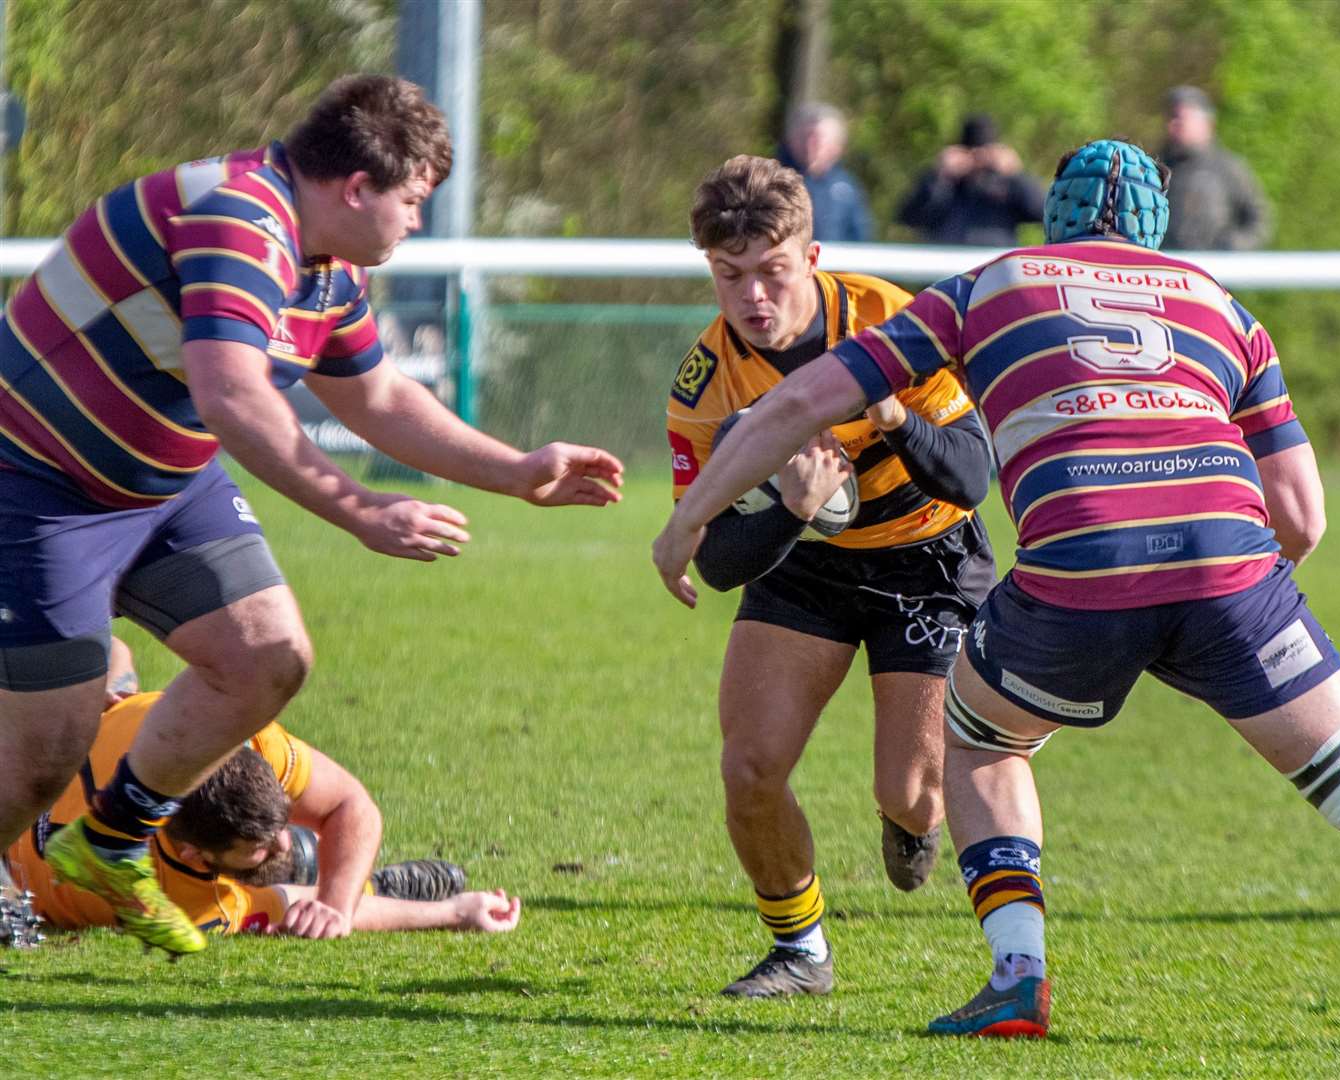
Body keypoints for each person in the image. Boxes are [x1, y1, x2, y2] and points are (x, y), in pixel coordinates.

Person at [653, 139, 1340, 1036]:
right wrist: (1229, 606)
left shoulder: (986, 287)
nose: (752, 294)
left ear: (1051, 216)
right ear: (1159, 228)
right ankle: (801, 945)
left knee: (976, 746)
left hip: (1054, 567)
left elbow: (812, 417)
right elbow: (1303, 517)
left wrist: (683, 524)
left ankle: (1019, 974)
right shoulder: (1223, 306)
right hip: (1232, 572)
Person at [0, 74, 621, 958]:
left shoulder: (323, 262)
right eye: (412, 201)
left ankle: (107, 843)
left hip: (163, 482)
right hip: (38, 489)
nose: (418, 222)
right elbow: (230, 394)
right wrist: (359, 507)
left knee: (268, 658)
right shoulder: (238, 220)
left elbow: (375, 394)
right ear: (357, 188)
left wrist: (516, 471)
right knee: (40, 757)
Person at [669, 154, 994, 998]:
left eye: (772, 272)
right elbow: (719, 557)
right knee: (749, 767)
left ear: (812, 257)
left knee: (914, 791)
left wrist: (887, 410)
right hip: (805, 566)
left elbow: (969, 477)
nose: (753, 299)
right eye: (729, 276)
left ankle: (911, 823)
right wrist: (792, 512)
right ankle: (800, 951)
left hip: (929, 560)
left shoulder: (893, 320)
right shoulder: (706, 386)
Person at [5, 639, 522, 939]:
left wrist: (334, 907)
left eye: (282, 825)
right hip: (16, 856)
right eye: (262, 844)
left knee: (108, 661)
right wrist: (453, 912)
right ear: (192, 852)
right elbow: (289, 904)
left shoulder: (238, 734)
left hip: (65, 749)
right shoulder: (182, 901)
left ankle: (336, 872)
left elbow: (351, 803)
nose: (276, 839)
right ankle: (376, 883)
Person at [896, 114, 1046, 247]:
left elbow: (1043, 214)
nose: (978, 159)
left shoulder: (1006, 184)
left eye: (985, 153)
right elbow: (909, 218)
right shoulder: (945, 183)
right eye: (972, 152)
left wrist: (1015, 175)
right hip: (945, 265)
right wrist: (939, 177)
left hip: (994, 267)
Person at [1160, 85, 1270, 251]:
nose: (1172, 125)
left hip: (1215, 271)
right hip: (1170, 269)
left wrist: (1234, 245)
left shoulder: (1228, 168)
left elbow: (1259, 218)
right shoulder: (1159, 166)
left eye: (1180, 118)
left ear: (1205, 123)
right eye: (1170, 118)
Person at [775, 103, 873, 243]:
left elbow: (861, 239)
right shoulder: (771, 182)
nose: (810, 146)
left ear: (837, 146)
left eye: (818, 140)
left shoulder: (847, 189)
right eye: (804, 137)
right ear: (791, 141)